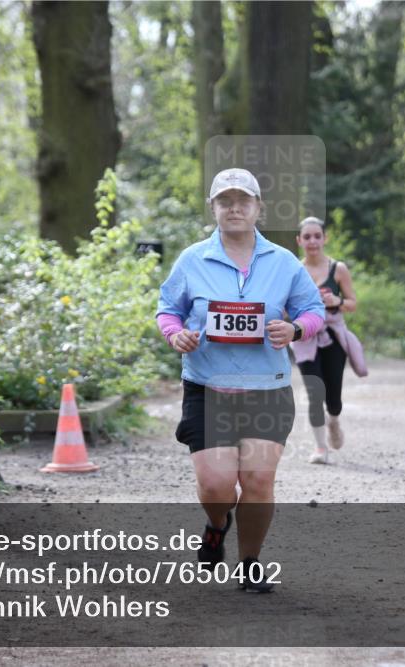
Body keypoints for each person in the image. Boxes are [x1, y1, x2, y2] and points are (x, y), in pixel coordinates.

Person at [156, 168, 325, 592]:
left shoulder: (284, 262)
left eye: (243, 200)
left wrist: (296, 329)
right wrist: (177, 334)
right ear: (212, 208)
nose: (234, 208)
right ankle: (217, 525)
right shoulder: (192, 259)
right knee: (216, 486)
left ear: (257, 208)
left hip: (267, 388)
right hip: (208, 387)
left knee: (257, 480)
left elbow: (312, 310)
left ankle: (250, 564)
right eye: (225, 201)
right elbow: (167, 309)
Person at [291, 217, 367, 464]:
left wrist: (337, 302)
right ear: (299, 241)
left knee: (333, 396)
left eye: (317, 236)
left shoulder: (339, 269)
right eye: (307, 237)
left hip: (333, 338)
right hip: (305, 338)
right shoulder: (295, 270)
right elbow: (285, 305)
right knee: (314, 392)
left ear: (325, 238)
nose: (312, 241)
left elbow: (353, 303)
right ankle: (320, 448)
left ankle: (334, 420)